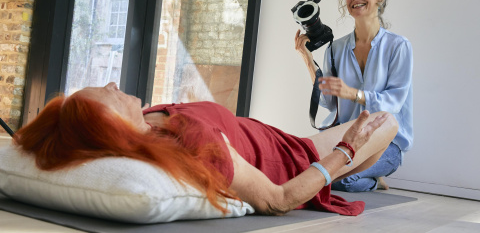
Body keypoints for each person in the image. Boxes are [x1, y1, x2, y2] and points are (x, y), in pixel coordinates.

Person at [14, 82, 398, 217]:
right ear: (112, 127)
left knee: (375, 150)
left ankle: (360, 176)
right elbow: (278, 199)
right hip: (296, 157)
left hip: (275, 136)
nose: (114, 83)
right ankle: (353, 175)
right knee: (387, 124)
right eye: (108, 93)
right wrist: (347, 149)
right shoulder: (192, 143)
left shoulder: (146, 123)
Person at [294, 0, 413, 192]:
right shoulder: (335, 48)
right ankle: (372, 179)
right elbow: (329, 102)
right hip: (343, 137)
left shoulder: (398, 46)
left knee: (332, 180)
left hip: (385, 142)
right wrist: (308, 59)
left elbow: (394, 102)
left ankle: (373, 174)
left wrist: (353, 93)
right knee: (306, 170)